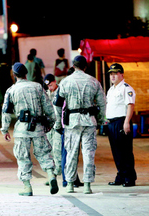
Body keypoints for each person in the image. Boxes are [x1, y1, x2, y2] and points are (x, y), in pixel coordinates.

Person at [0, 62, 58, 196]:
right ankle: (51, 175)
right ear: (26, 74)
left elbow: (6, 112)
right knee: (44, 153)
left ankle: (27, 187)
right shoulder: (38, 87)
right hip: (38, 127)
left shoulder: (11, 90)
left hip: (22, 129)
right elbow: (49, 107)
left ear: (14, 75)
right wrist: (50, 122)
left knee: (23, 157)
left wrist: (4, 129)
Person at [53, 55, 106, 194]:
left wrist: (58, 123)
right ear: (85, 66)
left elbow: (57, 104)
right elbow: (102, 103)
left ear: (73, 66)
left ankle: (70, 184)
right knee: (89, 153)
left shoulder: (65, 82)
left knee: (71, 153)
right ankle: (87, 185)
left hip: (72, 122)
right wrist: (100, 121)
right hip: (89, 121)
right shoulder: (94, 82)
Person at [44, 72, 83, 188]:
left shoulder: (60, 92)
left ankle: (63, 176)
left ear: (55, 82)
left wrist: (58, 125)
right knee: (50, 152)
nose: (49, 87)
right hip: (49, 128)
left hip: (58, 126)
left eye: (50, 85)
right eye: (47, 86)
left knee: (59, 153)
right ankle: (53, 177)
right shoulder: (46, 94)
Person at [106, 63, 137, 187]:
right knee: (116, 151)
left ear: (122, 74)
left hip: (121, 122)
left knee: (125, 151)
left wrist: (126, 122)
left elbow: (130, 105)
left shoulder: (126, 88)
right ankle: (121, 175)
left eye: (115, 73)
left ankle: (129, 177)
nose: (113, 76)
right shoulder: (111, 89)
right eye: (111, 74)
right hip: (112, 123)